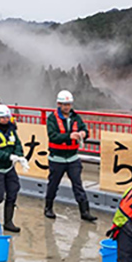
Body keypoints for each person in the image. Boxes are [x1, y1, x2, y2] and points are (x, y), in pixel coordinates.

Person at [43, 90, 95, 222]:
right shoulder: (52, 118)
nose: (67, 107)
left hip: (73, 158)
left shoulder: (76, 117)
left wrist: (83, 134)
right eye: (64, 104)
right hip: (57, 159)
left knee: (78, 185)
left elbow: (85, 130)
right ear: (58, 104)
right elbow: (52, 136)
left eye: (69, 104)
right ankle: (48, 208)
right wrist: (68, 136)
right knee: (53, 185)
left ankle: (85, 211)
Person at [0, 104, 25, 233]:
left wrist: (19, 155)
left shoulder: (11, 130)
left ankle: (8, 222)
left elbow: (17, 143)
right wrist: (9, 156)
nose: (6, 120)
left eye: (8, 117)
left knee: (13, 191)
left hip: (8, 168)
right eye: (3, 118)